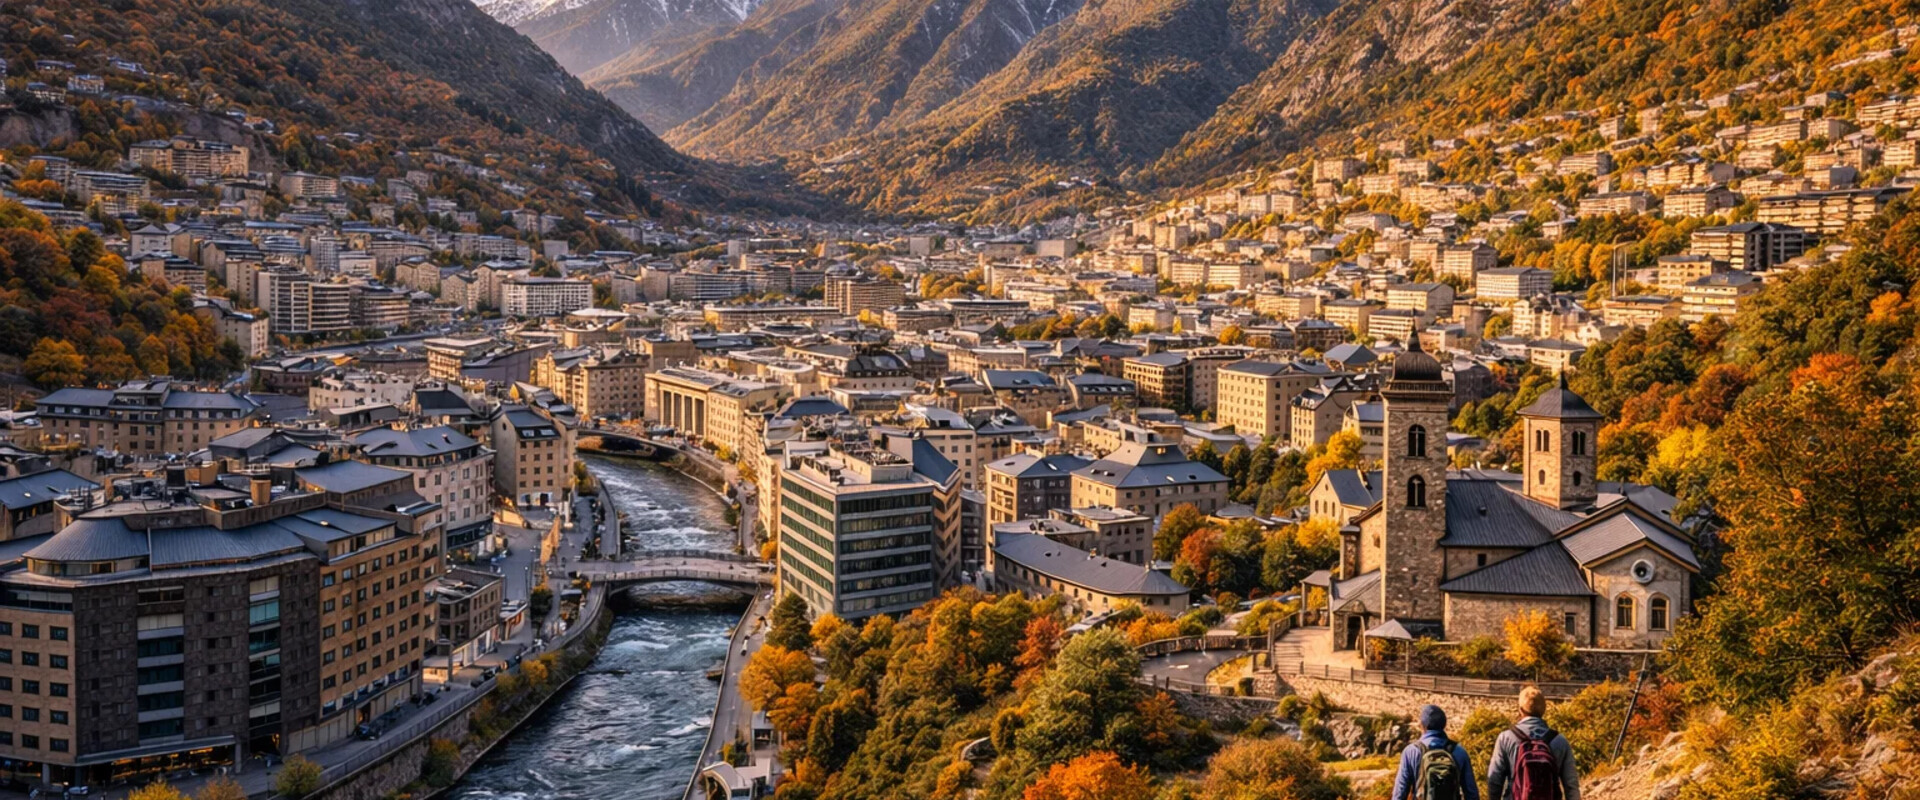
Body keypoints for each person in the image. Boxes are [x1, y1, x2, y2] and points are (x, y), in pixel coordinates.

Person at [1487, 686, 1580, 800]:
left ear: (1520, 710)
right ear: (1544, 710)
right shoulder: (1560, 741)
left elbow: (1494, 780)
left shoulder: (1506, 738)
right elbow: (1571, 785)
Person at [1392, 704, 1479, 800]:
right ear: (1444, 724)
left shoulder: (1411, 752)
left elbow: (1400, 792)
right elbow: (1471, 793)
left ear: (1422, 725)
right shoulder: (1459, 752)